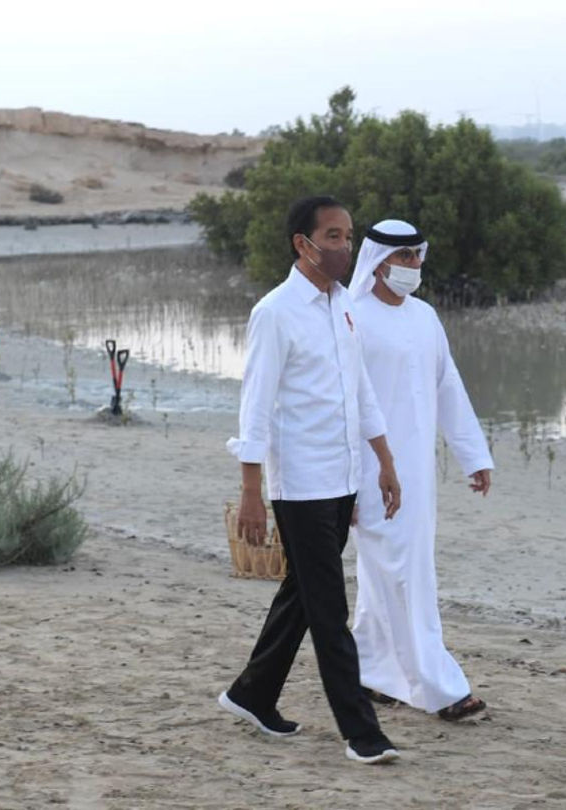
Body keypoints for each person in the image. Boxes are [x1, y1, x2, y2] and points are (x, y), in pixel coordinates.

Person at [218, 195, 403, 764]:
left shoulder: (344, 304)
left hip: (343, 474)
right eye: (332, 237)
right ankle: (362, 734)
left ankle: (251, 694)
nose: (345, 247)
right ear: (303, 244)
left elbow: (360, 390)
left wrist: (384, 459)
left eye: (348, 236)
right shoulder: (275, 312)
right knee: (328, 609)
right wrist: (253, 490)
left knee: (302, 594)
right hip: (299, 484)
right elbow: (256, 404)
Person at [348, 219, 493, 721]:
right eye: (405, 256)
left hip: (418, 473)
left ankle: (368, 670)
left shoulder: (425, 316)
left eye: (418, 255)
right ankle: (440, 687)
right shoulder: (351, 316)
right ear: (379, 261)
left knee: (390, 572)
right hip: (370, 471)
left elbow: (447, 386)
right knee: (402, 572)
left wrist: (473, 456)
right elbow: (340, 405)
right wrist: (344, 479)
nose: (414, 265)